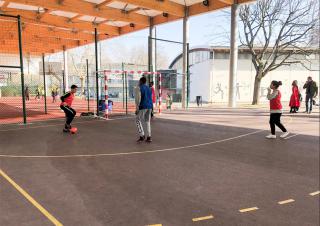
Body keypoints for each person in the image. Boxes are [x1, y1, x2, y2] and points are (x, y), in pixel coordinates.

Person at [135, 77, 153, 143]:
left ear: (141, 81)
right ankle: (149, 137)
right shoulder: (149, 88)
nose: (139, 82)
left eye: (139, 81)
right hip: (150, 106)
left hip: (143, 106)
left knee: (137, 120)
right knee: (147, 121)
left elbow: (138, 99)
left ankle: (142, 135)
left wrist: (137, 108)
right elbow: (150, 97)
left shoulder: (139, 88)